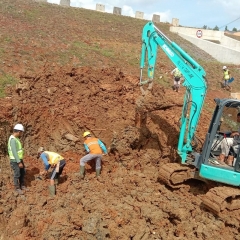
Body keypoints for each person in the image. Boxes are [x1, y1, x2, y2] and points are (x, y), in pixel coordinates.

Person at [8, 123, 26, 194]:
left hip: (19, 159)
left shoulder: (16, 138)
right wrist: (19, 162)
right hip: (15, 160)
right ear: (19, 132)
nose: (21, 134)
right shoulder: (12, 140)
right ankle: (17, 188)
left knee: (22, 172)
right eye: (21, 132)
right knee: (17, 173)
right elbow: (14, 151)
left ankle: (22, 185)